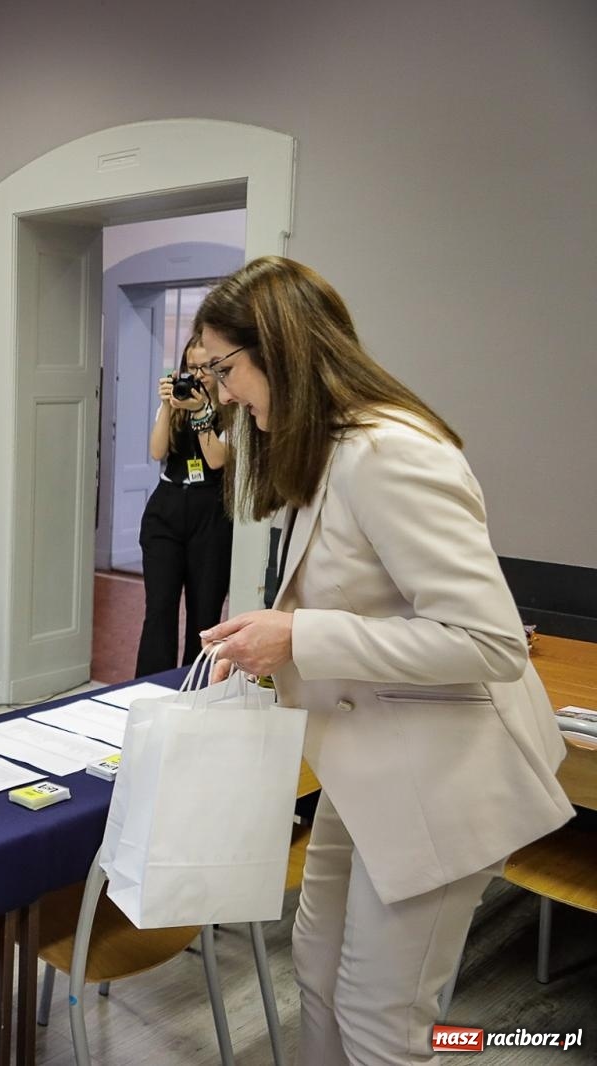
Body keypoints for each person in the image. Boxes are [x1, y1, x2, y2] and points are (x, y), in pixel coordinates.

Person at [193, 257, 572, 1066]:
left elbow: (490, 642)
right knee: (317, 963)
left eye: (225, 369)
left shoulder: (390, 452)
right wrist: (268, 642)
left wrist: (298, 638)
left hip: (442, 777)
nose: (223, 394)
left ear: (279, 350)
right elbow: (357, 601)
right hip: (369, 762)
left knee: (383, 1016)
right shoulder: (324, 450)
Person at [135, 335, 233, 675]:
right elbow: (157, 452)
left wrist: (202, 412)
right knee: (159, 609)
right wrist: (167, 405)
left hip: (212, 511)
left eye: (206, 366)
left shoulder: (233, 408)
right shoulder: (176, 401)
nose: (199, 374)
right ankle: (149, 687)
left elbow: (217, 459)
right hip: (168, 506)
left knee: (204, 614)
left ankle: (195, 689)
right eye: (192, 367)